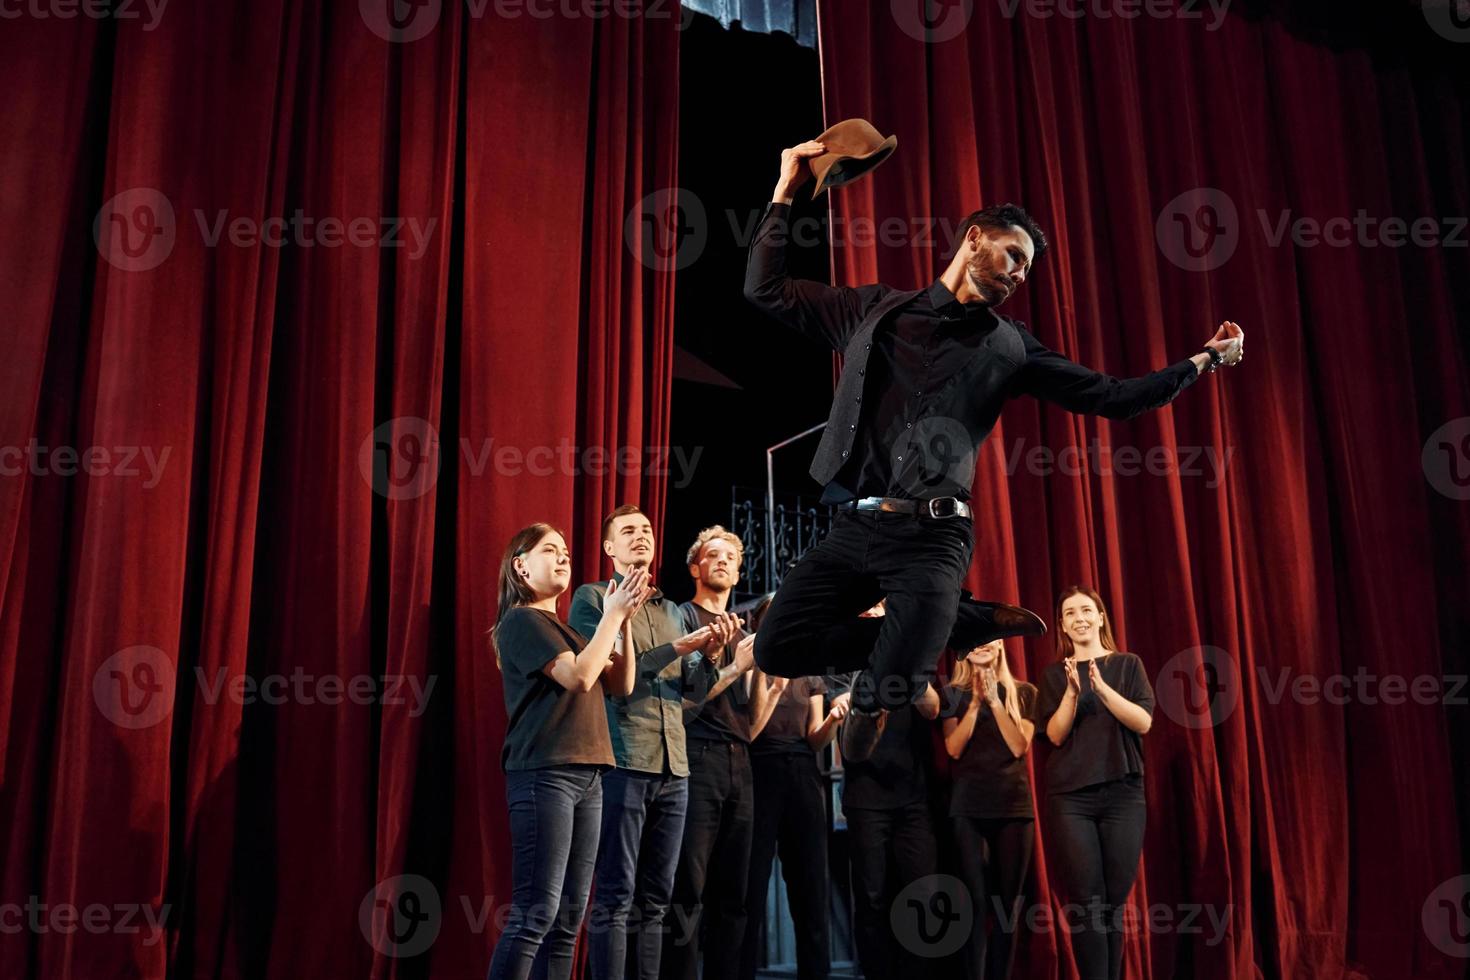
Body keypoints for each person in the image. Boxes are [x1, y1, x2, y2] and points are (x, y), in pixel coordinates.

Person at [743, 139, 1244, 762]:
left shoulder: (1012, 347)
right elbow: (766, 289)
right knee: (775, 648)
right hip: (854, 527)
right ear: (975, 237)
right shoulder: (874, 310)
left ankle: (927, 630)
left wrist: (1202, 361)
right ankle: (948, 623)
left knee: (892, 686)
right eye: (1014, 255)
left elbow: (1112, 396)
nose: (1019, 274)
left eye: (1026, 269)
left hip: (933, 538)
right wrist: (786, 187)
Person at [569, 506, 738, 980]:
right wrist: (679, 649)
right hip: (624, 758)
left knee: (657, 899)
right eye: (628, 531)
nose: (641, 536)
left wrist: (710, 655)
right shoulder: (591, 598)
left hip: (675, 768)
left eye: (646, 529)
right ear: (609, 548)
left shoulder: (669, 610)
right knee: (616, 894)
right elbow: (609, 673)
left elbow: (693, 689)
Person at [485, 523, 652, 980]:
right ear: (521, 565)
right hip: (545, 775)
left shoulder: (568, 632)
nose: (563, 558)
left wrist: (627, 621)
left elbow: (623, 684)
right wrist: (611, 617)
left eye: (566, 552)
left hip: (590, 776)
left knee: (567, 923)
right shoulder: (521, 620)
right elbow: (579, 678)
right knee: (535, 914)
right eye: (550, 551)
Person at [665, 526, 779, 980]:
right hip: (697, 759)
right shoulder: (682, 619)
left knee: (735, 894)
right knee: (688, 889)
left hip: (741, 761)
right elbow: (685, 704)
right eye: (713, 555)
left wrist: (769, 681)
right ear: (695, 567)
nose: (724, 562)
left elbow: (750, 719)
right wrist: (734, 668)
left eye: (731, 557)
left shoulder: (745, 632)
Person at [1035, 587, 1155, 980]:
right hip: (1070, 800)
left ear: (1101, 617)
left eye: (1087, 610)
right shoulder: (1055, 675)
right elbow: (1053, 736)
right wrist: (1073, 692)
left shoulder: (1127, 665)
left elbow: (1143, 722)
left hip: (1123, 795)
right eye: (1070, 613)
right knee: (1086, 903)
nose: (1079, 618)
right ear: (1063, 626)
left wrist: (1101, 688)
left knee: (1113, 905)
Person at [739, 672, 847, 980]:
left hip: (803, 773)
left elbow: (815, 738)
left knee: (811, 888)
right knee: (751, 887)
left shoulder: (809, 672)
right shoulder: (753, 662)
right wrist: (772, 688)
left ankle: (815, 973)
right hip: (759, 769)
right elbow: (749, 727)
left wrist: (833, 720)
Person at [941, 638, 1038, 980]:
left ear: (1000, 647)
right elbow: (953, 749)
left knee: (1006, 905)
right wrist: (974, 705)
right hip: (968, 807)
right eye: (976, 639)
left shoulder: (1025, 692)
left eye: (990, 639)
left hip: (1013, 806)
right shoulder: (951, 694)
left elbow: (1018, 745)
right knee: (974, 903)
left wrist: (995, 702)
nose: (982, 644)